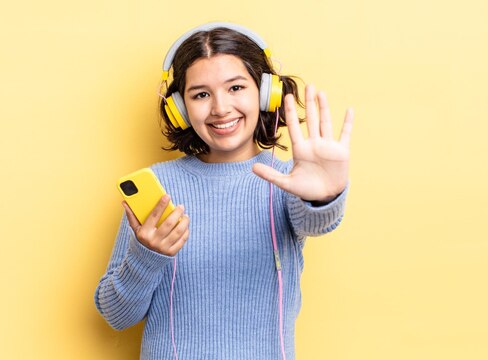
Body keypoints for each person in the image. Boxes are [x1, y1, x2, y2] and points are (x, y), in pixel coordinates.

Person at [94, 22, 354, 359]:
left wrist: (324, 196)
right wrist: (147, 255)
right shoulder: (159, 187)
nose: (220, 108)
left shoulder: (289, 181)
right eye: (201, 94)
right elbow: (117, 315)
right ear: (180, 108)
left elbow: (317, 221)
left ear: (264, 92)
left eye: (235, 88)